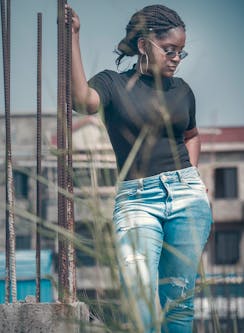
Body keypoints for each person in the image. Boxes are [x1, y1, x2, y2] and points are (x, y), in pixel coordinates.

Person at [67, 4, 213, 333]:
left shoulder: (183, 91)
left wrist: (190, 177)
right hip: (137, 201)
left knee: (178, 303)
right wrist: (73, 36)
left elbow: (192, 136)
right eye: (170, 50)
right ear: (144, 44)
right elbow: (81, 101)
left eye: (181, 52)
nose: (176, 58)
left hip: (187, 198)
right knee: (140, 299)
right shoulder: (113, 84)